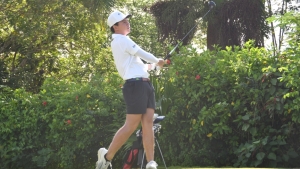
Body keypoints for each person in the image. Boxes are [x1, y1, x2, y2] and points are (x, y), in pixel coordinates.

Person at [95, 10, 165, 169]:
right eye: (124, 21)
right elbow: (143, 53)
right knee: (131, 125)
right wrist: (157, 60)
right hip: (135, 86)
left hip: (144, 84)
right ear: (116, 27)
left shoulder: (124, 42)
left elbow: (141, 65)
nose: (128, 23)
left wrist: (154, 65)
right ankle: (107, 157)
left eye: (127, 20)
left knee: (148, 122)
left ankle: (150, 163)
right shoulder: (121, 40)